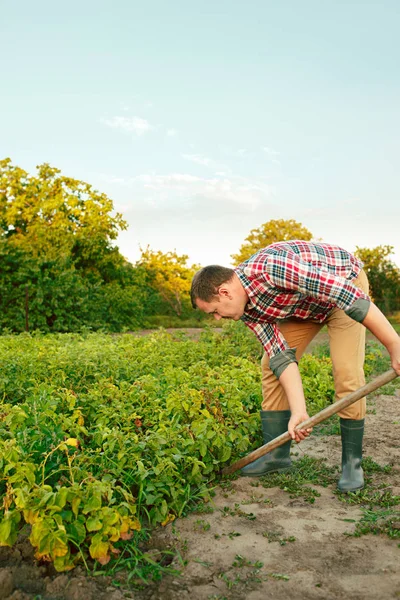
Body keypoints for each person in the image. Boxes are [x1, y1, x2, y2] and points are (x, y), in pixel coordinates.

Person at [190, 240, 400, 492]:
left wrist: (394, 345)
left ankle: (351, 464)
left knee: (347, 372)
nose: (216, 318)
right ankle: (277, 454)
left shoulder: (272, 268)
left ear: (224, 292)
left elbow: (344, 294)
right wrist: (299, 411)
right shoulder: (245, 308)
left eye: (213, 311)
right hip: (306, 306)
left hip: (344, 285)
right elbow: (280, 355)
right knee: (270, 365)